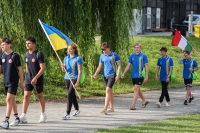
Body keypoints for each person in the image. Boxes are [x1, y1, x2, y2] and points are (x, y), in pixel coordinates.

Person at [20, 37, 47, 123]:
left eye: (29, 43)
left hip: (37, 79)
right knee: (26, 96)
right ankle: (23, 116)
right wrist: (26, 77)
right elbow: (27, 66)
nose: (27, 45)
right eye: (26, 43)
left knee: (39, 96)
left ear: (34, 44)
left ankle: (43, 114)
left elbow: (42, 68)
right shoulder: (26, 54)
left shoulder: (38, 54)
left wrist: (35, 78)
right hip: (28, 79)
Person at [0, 38, 24, 129]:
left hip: (13, 81)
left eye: (4, 44)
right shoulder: (1, 56)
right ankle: (17, 118)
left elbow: (20, 70)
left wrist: (22, 82)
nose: (2, 46)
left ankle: (6, 121)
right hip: (6, 81)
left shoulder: (15, 56)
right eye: (1, 45)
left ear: (9, 45)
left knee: (8, 99)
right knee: (12, 99)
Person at [93, 42, 121, 115]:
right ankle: (111, 107)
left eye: (104, 49)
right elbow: (100, 66)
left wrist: (117, 75)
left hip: (112, 75)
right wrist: (96, 73)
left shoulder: (114, 55)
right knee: (110, 91)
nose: (103, 51)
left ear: (108, 48)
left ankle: (105, 108)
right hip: (105, 75)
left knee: (108, 90)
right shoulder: (102, 56)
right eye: (102, 50)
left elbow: (119, 66)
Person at [122, 42, 149, 110]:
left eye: (138, 47)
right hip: (134, 75)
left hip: (140, 75)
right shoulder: (132, 56)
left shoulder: (143, 56)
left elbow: (146, 66)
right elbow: (128, 65)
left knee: (136, 89)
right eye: (135, 47)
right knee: (137, 89)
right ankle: (144, 100)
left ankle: (133, 105)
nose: (136, 49)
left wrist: (146, 76)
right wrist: (124, 73)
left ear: (140, 48)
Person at [61, 43, 82, 120]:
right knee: (72, 95)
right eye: (68, 49)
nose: (69, 50)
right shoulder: (65, 58)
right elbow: (64, 70)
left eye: (70, 49)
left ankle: (67, 113)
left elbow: (80, 71)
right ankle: (77, 109)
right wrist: (63, 67)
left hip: (74, 78)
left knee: (69, 94)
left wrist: (77, 82)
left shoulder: (78, 59)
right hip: (67, 78)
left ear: (74, 50)